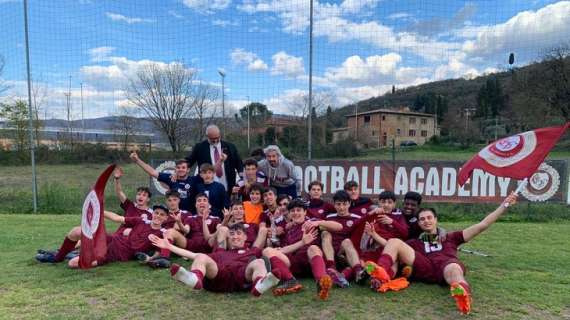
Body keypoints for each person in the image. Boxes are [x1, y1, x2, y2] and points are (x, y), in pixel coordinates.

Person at [363, 193, 518, 314]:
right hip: (426, 267)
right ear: (418, 223)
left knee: (452, 268)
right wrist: (374, 235)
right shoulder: (416, 242)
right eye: (422, 219)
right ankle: (380, 274)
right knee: (395, 241)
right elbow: (391, 246)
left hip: (446, 266)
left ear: (436, 219)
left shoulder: (450, 237)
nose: (426, 221)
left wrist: (504, 205)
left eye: (429, 217)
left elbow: (482, 225)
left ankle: (462, 293)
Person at [150, 223, 282, 296]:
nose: (235, 237)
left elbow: (271, 251)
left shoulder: (253, 250)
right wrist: (169, 246)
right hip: (218, 278)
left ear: (245, 237)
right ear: (228, 238)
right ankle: (195, 278)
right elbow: (192, 255)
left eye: (238, 234)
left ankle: (260, 284)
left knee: (259, 262)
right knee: (201, 256)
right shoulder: (221, 251)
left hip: (241, 278)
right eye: (232, 234)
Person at [36, 205, 169, 268]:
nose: (158, 216)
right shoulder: (140, 220)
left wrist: (149, 258)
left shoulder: (163, 233)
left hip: (113, 254)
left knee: (73, 264)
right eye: (156, 213)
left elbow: (160, 252)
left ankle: (70, 254)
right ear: (153, 214)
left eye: (162, 215)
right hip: (111, 239)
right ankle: (57, 257)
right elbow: (117, 218)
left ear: (166, 218)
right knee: (77, 231)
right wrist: (97, 209)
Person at [261, 198, 343, 300]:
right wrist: (302, 242)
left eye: (299, 210)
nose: (296, 213)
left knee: (313, 248)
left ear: (305, 212)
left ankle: (321, 282)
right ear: (290, 214)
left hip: (311, 261)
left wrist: (319, 223)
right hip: (295, 264)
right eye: (293, 211)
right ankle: (290, 281)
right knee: (267, 250)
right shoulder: (289, 229)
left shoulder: (311, 222)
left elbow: (339, 227)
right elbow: (286, 249)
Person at [152, 193, 221, 268]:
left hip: (209, 244)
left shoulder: (215, 219)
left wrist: (224, 222)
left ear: (209, 204)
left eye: (204, 200)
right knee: (170, 231)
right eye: (199, 200)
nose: (202, 202)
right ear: (195, 205)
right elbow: (186, 231)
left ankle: (219, 257)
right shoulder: (190, 218)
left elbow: (220, 229)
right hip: (192, 245)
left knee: (223, 230)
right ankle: (164, 258)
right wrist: (179, 222)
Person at [321, 190, 364, 288]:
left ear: (349, 203)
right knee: (325, 233)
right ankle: (331, 268)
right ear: (334, 205)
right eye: (338, 204)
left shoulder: (357, 219)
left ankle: (358, 272)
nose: (341, 207)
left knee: (347, 241)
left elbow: (360, 240)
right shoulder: (328, 218)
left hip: (347, 255)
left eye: (344, 204)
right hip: (331, 254)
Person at [130, 152, 201, 212]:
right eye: (178, 167)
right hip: (174, 214)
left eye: (183, 167)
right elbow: (153, 172)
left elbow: (207, 172)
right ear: (175, 169)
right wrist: (137, 160)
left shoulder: (194, 180)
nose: (180, 169)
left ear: (188, 169)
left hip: (190, 214)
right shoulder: (171, 178)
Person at [186, 124, 243, 194]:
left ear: (220, 135)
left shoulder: (230, 147)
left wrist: (242, 176)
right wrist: (178, 171)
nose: (215, 141)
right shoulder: (199, 147)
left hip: (228, 185)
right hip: (207, 187)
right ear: (207, 137)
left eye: (217, 138)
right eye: (212, 139)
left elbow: (239, 163)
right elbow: (189, 162)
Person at [111, 166, 153, 237]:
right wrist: (117, 179)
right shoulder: (130, 205)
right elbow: (119, 192)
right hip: (120, 236)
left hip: (136, 239)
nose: (140, 196)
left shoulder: (152, 214)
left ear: (148, 199)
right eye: (139, 194)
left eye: (144, 195)